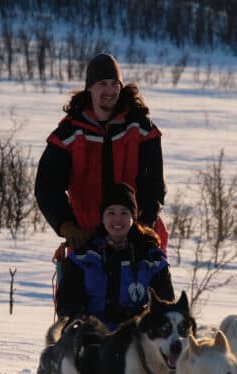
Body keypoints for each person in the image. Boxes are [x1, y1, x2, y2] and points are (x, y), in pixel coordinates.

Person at [36, 52, 167, 253]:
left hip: (137, 235)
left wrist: (145, 223)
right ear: (90, 87)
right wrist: (66, 225)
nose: (109, 90)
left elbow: (154, 183)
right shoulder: (69, 134)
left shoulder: (141, 129)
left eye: (114, 83)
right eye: (102, 83)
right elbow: (47, 188)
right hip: (87, 239)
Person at [54, 183, 174, 330]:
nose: (117, 219)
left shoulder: (152, 258)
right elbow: (67, 305)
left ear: (133, 217)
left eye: (124, 213)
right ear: (102, 217)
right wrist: (83, 321)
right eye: (111, 213)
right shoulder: (83, 258)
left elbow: (166, 306)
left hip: (137, 338)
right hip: (93, 338)